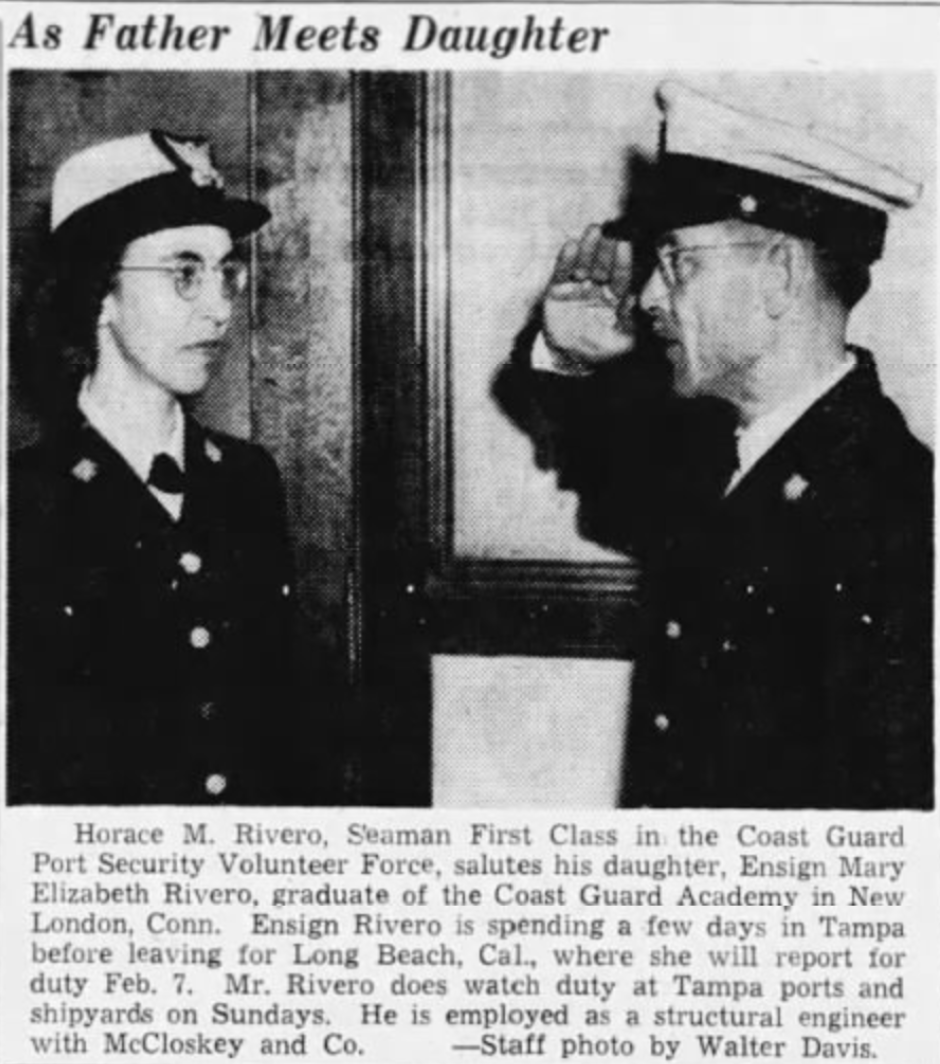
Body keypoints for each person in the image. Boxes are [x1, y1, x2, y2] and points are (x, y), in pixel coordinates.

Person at [503, 82, 933, 809]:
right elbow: (615, 477)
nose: (647, 299)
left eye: (678, 264)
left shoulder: (894, 509)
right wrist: (569, 355)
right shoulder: (737, 450)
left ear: (779, 277)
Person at [8, 130, 323, 805]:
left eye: (225, 272)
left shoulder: (246, 479)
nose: (219, 307)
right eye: (184, 272)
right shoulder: (24, 503)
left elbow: (286, 732)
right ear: (100, 293)